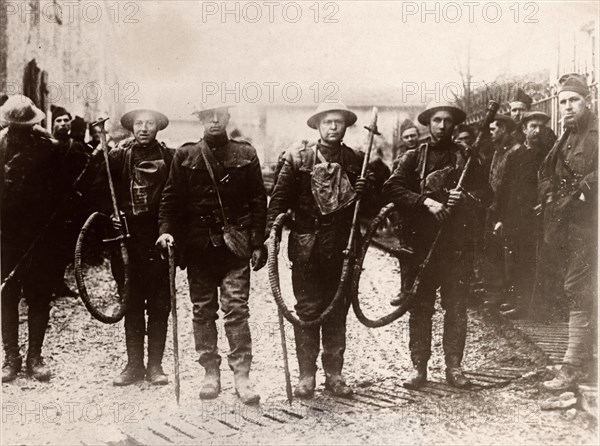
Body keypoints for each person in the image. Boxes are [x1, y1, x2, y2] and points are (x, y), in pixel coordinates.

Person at [157, 104, 267, 405]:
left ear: (228, 118)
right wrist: (166, 232)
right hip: (198, 248)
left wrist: (258, 242)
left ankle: (242, 375)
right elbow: (171, 199)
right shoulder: (186, 155)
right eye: (207, 116)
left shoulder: (245, 154)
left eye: (219, 115)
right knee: (202, 311)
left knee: (236, 310)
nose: (214, 120)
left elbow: (259, 199)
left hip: (235, 246)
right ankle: (210, 373)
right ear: (201, 120)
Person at [383, 100, 492, 389]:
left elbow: (487, 193)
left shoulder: (466, 157)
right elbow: (392, 187)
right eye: (436, 120)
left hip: (456, 246)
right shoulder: (413, 158)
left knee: (456, 306)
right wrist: (425, 202)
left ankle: (454, 367)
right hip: (421, 246)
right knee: (420, 307)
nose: (442, 126)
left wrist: (465, 198)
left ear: (454, 124)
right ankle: (419, 368)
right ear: (428, 123)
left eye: (447, 121)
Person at [267, 101, 370, 398]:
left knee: (337, 309)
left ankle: (335, 375)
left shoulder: (355, 161)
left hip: (342, 246)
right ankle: (306, 376)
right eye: (327, 122)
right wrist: (269, 237)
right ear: (317, 126)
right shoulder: (299, 159)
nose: (333, 127)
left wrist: (365, 189)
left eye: (338, 122)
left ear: (346, 126)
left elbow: (369, 208)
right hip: (307, 247)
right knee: (309, 310)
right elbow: (279, 200)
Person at [1, 95, 87, 382]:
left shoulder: (49, 149)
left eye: (24, 126)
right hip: (6, 236)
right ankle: (10, 357)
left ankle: (34, 357)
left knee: (39, 297)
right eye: (15, 126)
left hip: (40, 236)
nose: (19, 131)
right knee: (8, 295)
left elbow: (63, 194)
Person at [98, 108, 175, 386]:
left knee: (159, 304)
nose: (144, 128)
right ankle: (133, 366)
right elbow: (101, 191)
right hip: (127, 241)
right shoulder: (118, 157)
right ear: (132, 127)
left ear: (158, 127)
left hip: (158, 240)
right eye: (139, 123)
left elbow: (177, 198)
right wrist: (110, 215)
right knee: (130, 302)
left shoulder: (169, 157)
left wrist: (169, 232)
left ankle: (155, 366)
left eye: (150, 123)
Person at [540, 74, 597, 391]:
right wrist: (550, 195)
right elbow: (545, 172)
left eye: (574, 100)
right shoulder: (564, 139)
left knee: (578, 289)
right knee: (579, 291)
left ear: (587, 101)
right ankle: (585, 361)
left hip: (592, 226)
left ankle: (573, 366)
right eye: (563, 102)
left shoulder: (596, 133)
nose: (568, 107)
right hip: (568, 228)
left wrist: (582, 192)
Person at [495, 111, 551, 318]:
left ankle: (530, 306)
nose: (537, 131)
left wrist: (544, 202)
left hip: (536, 216)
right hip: (515, 217)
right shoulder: (516, 155)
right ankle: (517, 301)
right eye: (533, 126)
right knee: (516, 260)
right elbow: (505, 188)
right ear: (524, 129)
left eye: (541, 127)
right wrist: (500, 218)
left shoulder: (548, 154)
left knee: (532, 261)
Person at [482, 114, 522, 311]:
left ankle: (509, 296)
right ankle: (496, 294)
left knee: (510, 256)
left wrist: (503, 217)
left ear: (504, 129)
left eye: (493, 129)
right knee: (494, 253)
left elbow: (513, 189)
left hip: (507, 212)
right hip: (493, 209)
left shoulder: (516, 152)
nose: (491, 133)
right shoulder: (498, 151)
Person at [50, 106, 90, 299]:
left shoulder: (76, 146)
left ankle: (58, 282)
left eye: (66, 120)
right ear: (53, 124)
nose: (63, 124)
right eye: (59, 121)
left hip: (70, 203)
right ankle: (47, 284)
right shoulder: (46, 144)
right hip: (48, 203)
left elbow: (86, 172)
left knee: (65, 245)